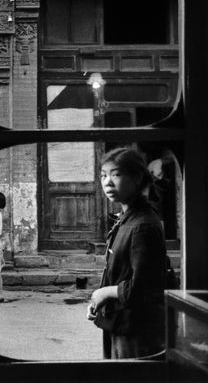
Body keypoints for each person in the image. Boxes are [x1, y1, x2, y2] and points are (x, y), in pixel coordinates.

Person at [86, 147, 167, 359]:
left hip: (136, 330)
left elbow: (142, 287)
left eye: (116, 174)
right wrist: (99, 302)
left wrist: (103, 293)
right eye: (103, 176)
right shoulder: (127, 218)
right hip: (122, 322)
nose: (107, 182)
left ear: (137, 177)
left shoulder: (142, 225)